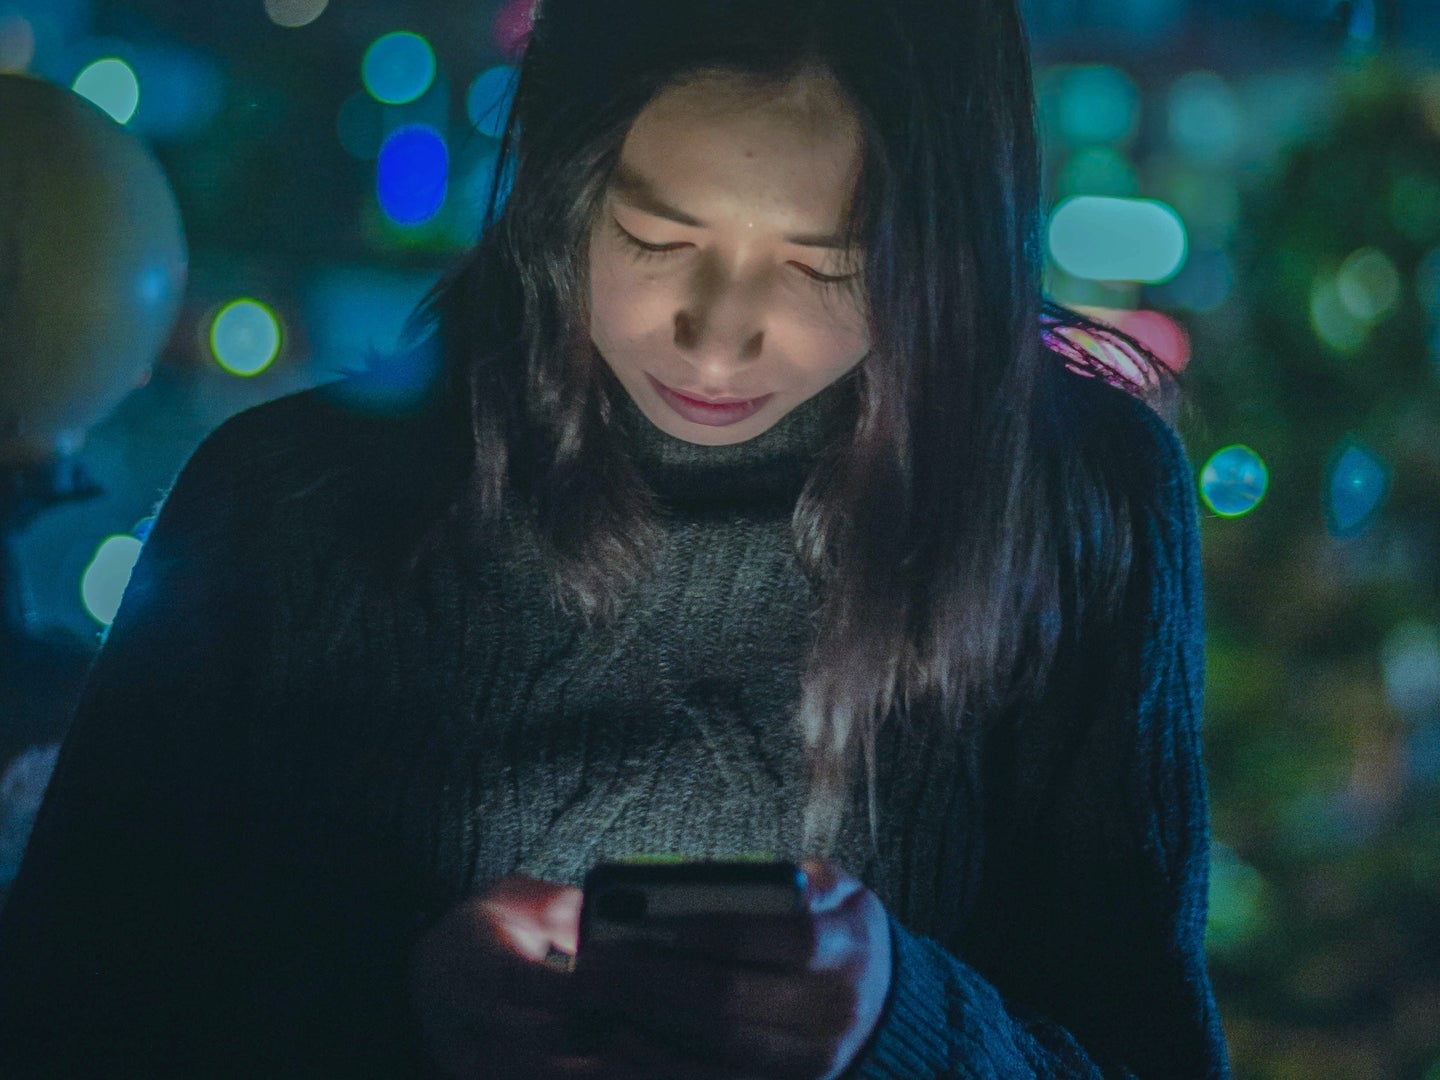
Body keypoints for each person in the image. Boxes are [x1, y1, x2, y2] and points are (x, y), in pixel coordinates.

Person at [0, 0, 1233, 1076]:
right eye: (655, 238)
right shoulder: (288, 505)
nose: (715, 337)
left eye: (824, 265)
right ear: (562, 189)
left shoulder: (1079, 503)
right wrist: (396, 1014)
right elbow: (74, 1024)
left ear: (944, 252)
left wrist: (902, 1021)